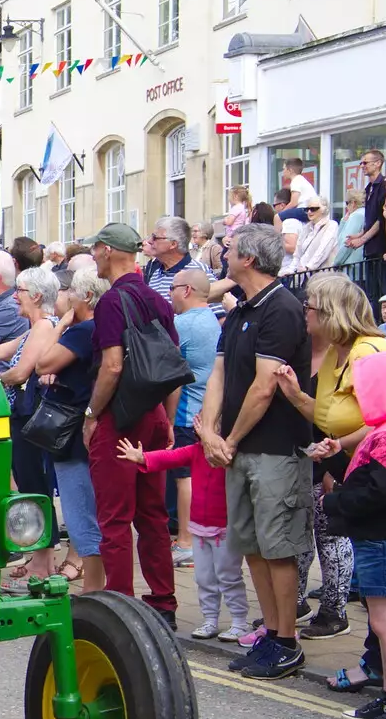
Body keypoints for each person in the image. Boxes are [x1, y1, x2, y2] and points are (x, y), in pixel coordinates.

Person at [200, 225, 313, 679]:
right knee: (252, 546)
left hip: (275, 449)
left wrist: (227, 439)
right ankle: (270, 636)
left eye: (228, 248)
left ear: (247, 257)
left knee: (278, 546)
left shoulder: (282, 308)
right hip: (239, 449)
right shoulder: (242, 309)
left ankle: (287, 640)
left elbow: (266, 387)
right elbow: (219, 374)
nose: (223, 253)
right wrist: (208, 430)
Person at [272, 273, 386, 642]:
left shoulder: (369, 354)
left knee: (378, 575)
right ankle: (377, 656)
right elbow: (327, 417)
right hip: (346, 466)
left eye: (309, 307)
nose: (303, 313)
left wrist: (336, 454)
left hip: (377, 474)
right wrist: (294, 394)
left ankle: (370, 644)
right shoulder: (333, 359)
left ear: (331, 313)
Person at [315, 351, 386, 719]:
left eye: (365, 388)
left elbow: (382, 491)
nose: (361, 396)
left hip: (385, 537)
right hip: (385, 536)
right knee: (385, 623)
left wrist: (333, 501)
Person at [82, 223, 181, 627]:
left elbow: (112, 365)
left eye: (95, 251)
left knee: (115, 519)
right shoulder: (158, 299)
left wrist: (90, 415)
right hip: (154, 415)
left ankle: (121, 606)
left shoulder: (111, 303)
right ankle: (163, 602)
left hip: (120, 418)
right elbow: (173, 365)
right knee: (153, 516)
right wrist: (168, 420)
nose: (94, 258)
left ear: (107, 250)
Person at [0, 266, 63, 584]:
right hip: (21, 418)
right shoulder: (33, 328)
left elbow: (20, 372)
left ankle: (42, 560)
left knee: (35, 486)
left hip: (30, 419)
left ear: (35, 296)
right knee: (28, 482)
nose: (15, 297)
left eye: (19, 291)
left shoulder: (44, 327)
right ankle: (40, 558)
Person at [119, 415, 246, 640]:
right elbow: (170, 457)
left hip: (225, 531)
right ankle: (210, 620)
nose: (201, 426)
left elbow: (229, 461)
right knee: (204, 578)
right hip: (198, 529)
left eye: (208, 423)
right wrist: (142, 457)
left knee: (229, 577)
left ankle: (239, 622)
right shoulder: (195, 451)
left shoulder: (228, 454)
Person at [36, 267, 110, 590]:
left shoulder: (82, 331)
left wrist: (62, 324)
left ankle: (94, 592)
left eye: (72, 294)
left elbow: (42, 362)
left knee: (81, 517)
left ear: (87, 297)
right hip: (93, 427)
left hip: (72, 432)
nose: (65, 299)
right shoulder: (107, 328)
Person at [168, 268, 220, 569]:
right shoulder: (211, 319)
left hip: (188, 412)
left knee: (185, 479)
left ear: (186, 290)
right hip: (207, 410)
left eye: (173, 288)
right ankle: (198, 540)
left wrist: (170, 417)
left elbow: (172, 374)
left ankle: (186, 542)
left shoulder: (182, 324)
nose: (169, 294)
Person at [344, 149, 386, 309]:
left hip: (380, 248)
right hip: (370, 250)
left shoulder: (384, 185)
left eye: (365, 162)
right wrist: (358, 235)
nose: (362, 166)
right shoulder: (369, 188)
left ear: (377, 163)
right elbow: (370, 220)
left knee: (382, 292)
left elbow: (381, 218)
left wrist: (362, 239)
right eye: (361, 163)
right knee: (372, 294)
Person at [143, 216, 211, 301]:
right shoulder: (157, 273)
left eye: (155, 237)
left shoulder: (199, 272)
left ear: (173, 244)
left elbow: (216, 312)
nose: (149, 241)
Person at [292, 196, 340, 273]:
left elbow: (323, 250)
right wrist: (292, 269)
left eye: (313, 209)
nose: (309, 212)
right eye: (307, 209)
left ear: (323, 209)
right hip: (302, 275)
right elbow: (298, 254)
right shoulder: (306, 228)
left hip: (322, 276)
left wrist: (308, 267)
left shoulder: (331, 225)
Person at [333, 189, 367, 269]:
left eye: (347, 203)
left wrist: (336, 263)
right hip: (357, 265)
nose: (346, 206)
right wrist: (343, 221)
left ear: (353, 203)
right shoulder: (362, 214)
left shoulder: (356, 216)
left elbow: (346, 243)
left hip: (351, 266)